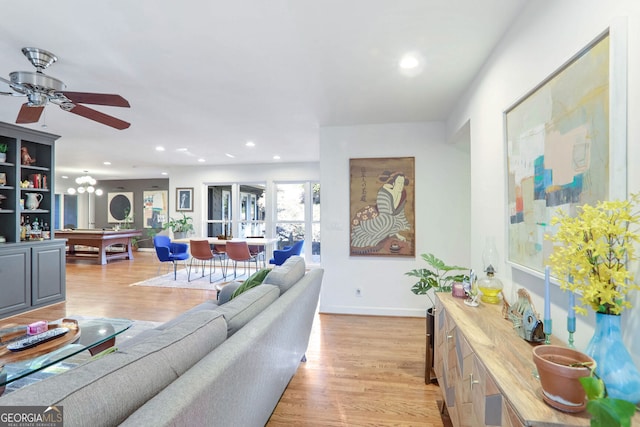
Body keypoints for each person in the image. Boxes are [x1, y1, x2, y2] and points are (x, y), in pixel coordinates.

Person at [350, 171, 410, 249]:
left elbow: (400, 214)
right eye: (399, 182)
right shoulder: (384, 192)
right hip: (374, 216)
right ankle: (372, 239)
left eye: (402, 183)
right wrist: (393, 227)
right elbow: (384, 214)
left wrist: (400, 229)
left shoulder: (403, 194)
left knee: (397, 222)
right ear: (393, 183)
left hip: (389, 220)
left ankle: (388, 234)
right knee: (389, 220)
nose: (400, 185)